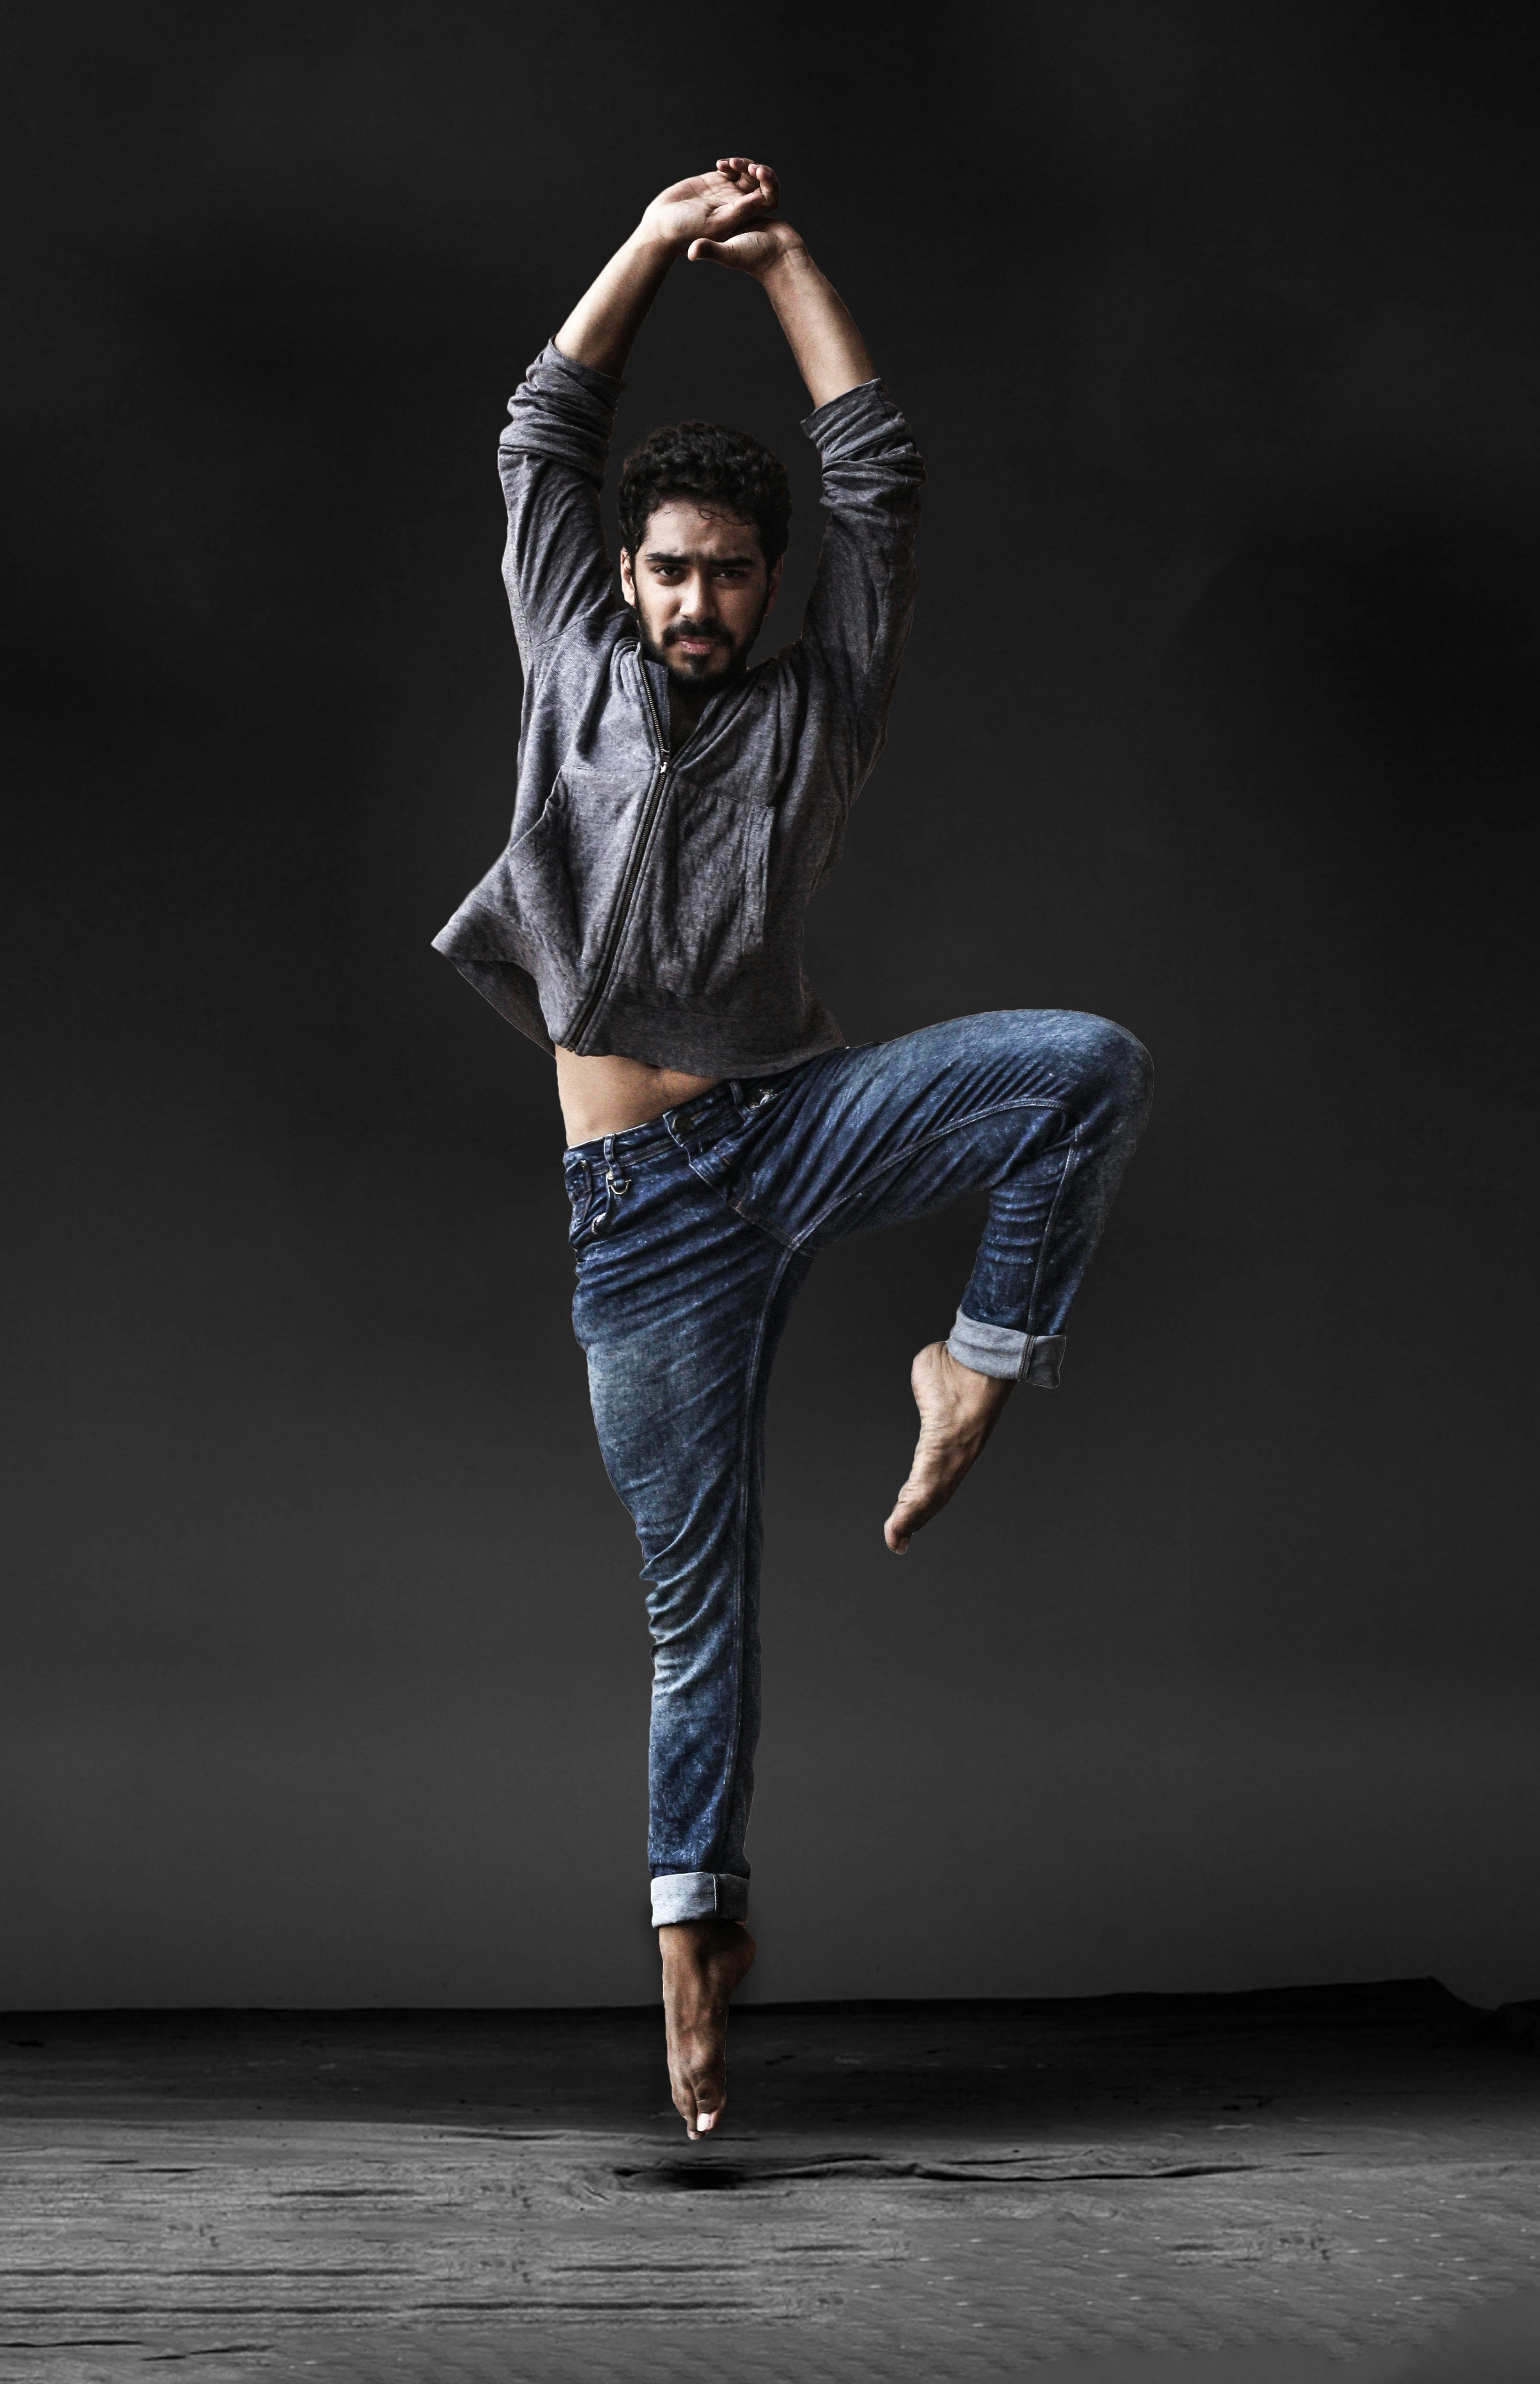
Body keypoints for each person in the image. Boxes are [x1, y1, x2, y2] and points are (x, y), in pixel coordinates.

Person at [434, 161, 1153, 2142]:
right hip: (640, 1220)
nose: (689, 599)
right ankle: (694, 1941)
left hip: (794, 1127)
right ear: (624, 577)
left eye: (724, 571)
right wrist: (656, 247)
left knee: (1081, 1065)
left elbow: (878, 475)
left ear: (765, 585)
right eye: (663, 567)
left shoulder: (818, 701)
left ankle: (974, 1360)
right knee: (700, 1605)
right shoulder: (567, 660)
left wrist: (790, 263)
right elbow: (538, 431)